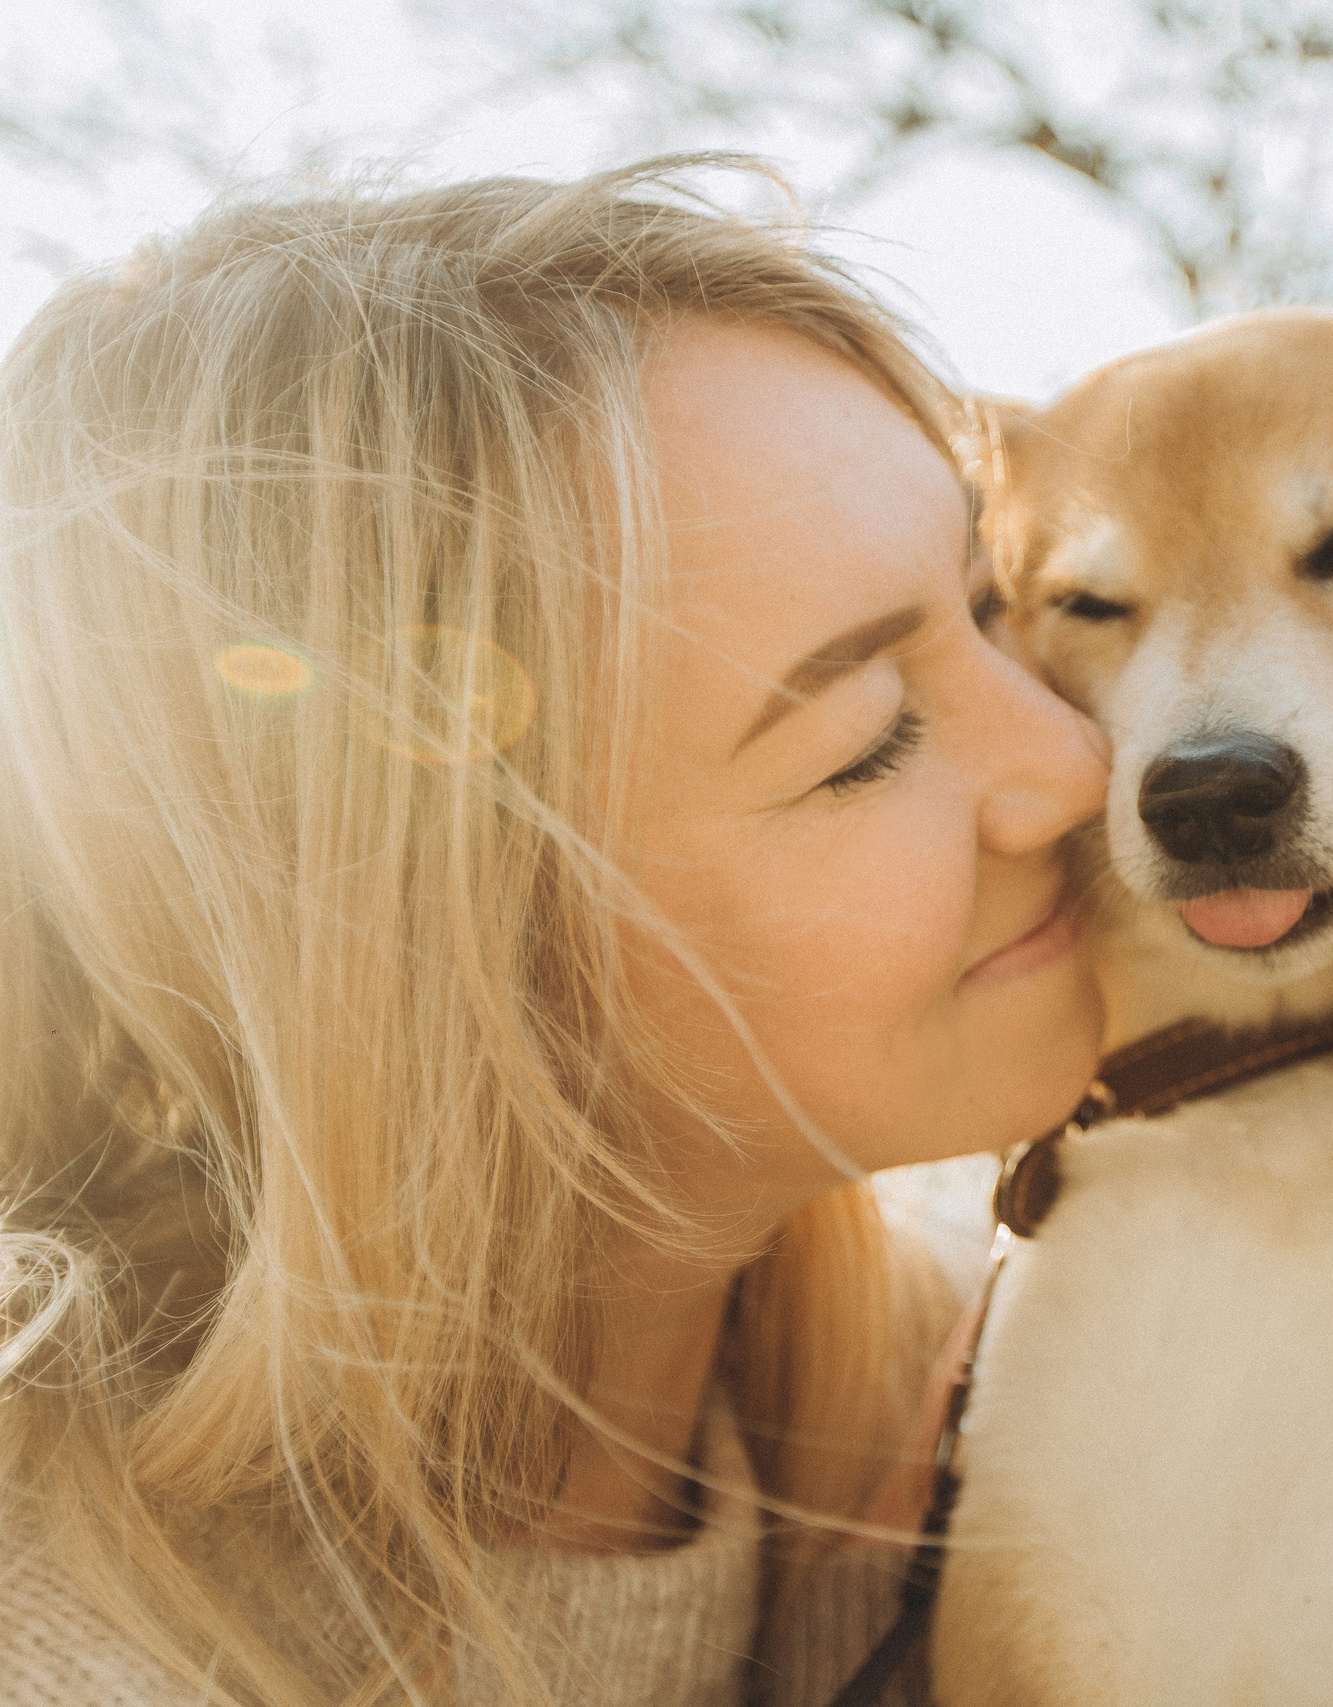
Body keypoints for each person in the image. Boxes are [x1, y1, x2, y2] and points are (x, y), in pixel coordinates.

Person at [0, 160, 1106, 1705]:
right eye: (864, 739)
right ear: (427, 949)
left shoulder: (982, 1443)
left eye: (997, 610)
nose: (1072, 764)